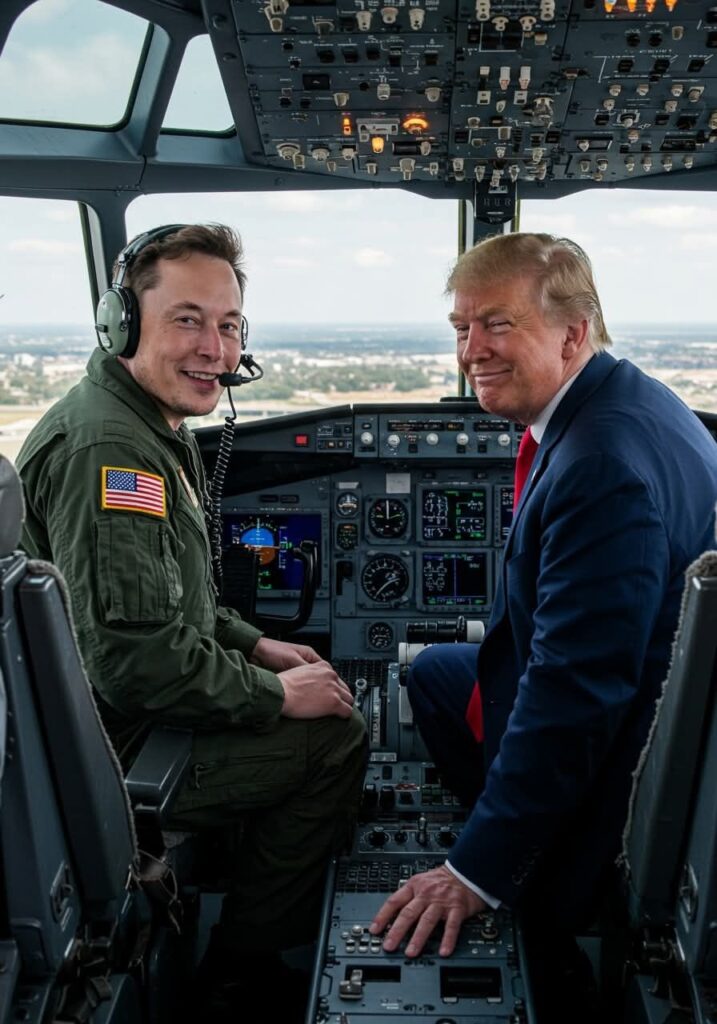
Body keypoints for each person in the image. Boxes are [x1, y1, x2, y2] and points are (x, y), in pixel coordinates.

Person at [16, 223, 367, 1015]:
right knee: (335, 740)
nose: (216, 348)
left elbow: (178, 604)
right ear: (121, 323)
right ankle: (242, 969)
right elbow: (136, 662)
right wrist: (275, 696)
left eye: (229, 324)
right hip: (115, 753)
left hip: (111, 721)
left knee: (309, 690)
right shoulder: (111, 452)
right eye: (187, 320)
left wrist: (256, 643)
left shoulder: (146, 426)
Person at [369, 233, 717, 1010]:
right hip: (655, 693)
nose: (472, 350)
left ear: (571, 332)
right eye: (461, 328)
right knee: (435, 673)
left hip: (627, 751)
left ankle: (544, 903)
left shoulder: (600, 466)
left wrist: (476, 870)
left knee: (469, 696)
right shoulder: (630, 399)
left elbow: (575, 695)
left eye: (498, 324)